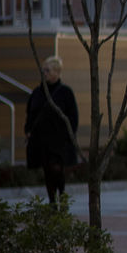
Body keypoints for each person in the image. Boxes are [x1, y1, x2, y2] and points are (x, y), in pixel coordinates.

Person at [25, 56, 78, 206]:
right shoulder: (37, 92)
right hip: (41, 141)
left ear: (57, 72)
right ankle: (52, 202)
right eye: (43, 70)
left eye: (47, 70)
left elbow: (73, 117)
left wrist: (70, 136)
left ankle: (61, 196)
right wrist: (28, 130)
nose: (45, 73)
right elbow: (31, 114)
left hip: (59, 141)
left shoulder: (65, 92)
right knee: (47, 171)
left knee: (57, 169)